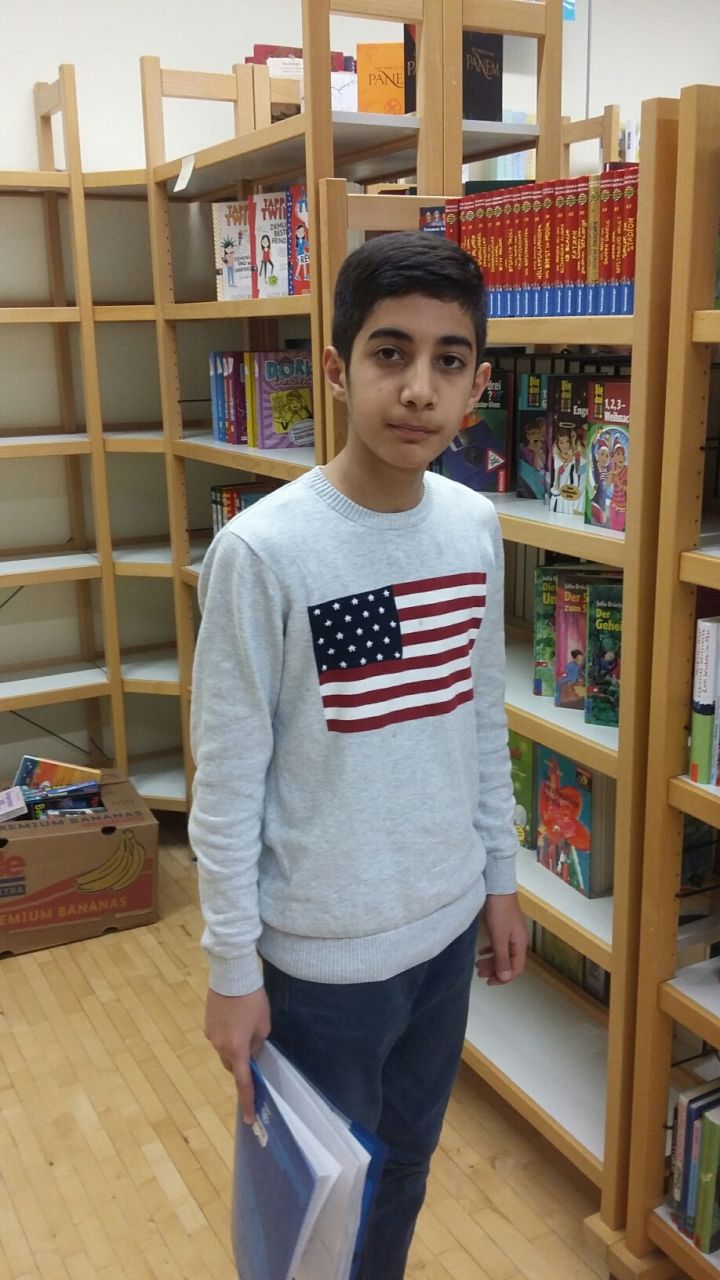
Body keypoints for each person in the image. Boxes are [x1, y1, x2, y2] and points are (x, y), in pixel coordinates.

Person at [189, 230, 527, 1280]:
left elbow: (478, 717)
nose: (419, 388)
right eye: (391, 353)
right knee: (311, 1212)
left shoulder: (472, 526)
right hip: (321, 964)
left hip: (445, 935)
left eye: (448, 360)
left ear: (477, 384)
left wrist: (501, 880)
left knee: (403, 1171)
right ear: (337, 368)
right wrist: (231, 970)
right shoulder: (266, 550)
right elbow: (227, 782)